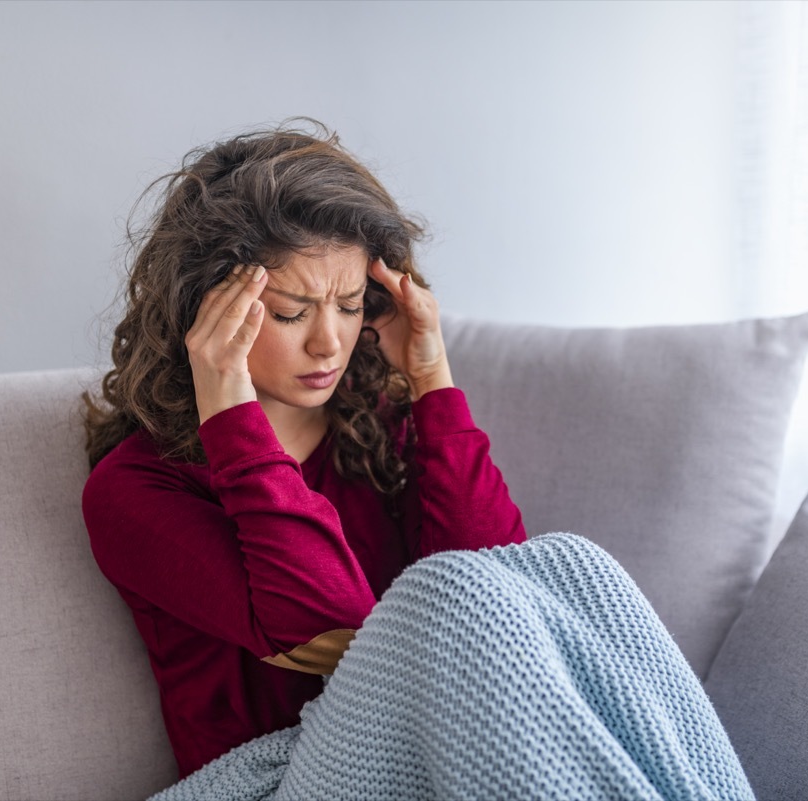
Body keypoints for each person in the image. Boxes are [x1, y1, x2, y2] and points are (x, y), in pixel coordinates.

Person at [82, 121, 754, 801]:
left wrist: (431, 377)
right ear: (207, 315)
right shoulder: (134, 489)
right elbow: (327, 621)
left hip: (451, 747)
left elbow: (509, 580)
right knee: (450, 598)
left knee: (571, 568)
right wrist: (229, 410)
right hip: (273, 777)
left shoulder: (375, 428)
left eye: (349, 306)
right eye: (290, 314)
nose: (329, 343)